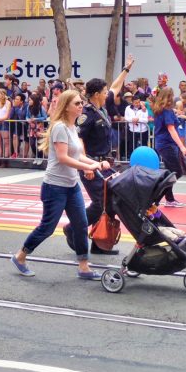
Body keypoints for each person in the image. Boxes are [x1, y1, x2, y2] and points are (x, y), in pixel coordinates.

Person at [11, 90, 106, 281]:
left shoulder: (73, 127)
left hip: (72, 185)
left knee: (80, 225)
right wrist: (91, 166)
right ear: (66, 106)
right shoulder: (60, 127)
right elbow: (63, 158)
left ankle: (84, 266)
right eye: (77, 103)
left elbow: (77, 154)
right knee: (48, 227)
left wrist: (92, 164)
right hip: (55, 186)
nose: (81, 106)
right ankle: (20, 256)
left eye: (81, 103)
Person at [71, 55, 135, 254]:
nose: (109, 93)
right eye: (105, 91)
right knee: (101, 203)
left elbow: (115, 86)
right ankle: (73, 229)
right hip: (92, 165)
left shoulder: (102, 106)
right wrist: (87, 166)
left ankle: (98, 243)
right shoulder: (86, 114)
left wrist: (126, 69)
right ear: (97, 93)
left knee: (109, 202)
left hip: (105, 165)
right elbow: (79, 140)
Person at [153, 87, 186, 207]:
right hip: (167, 144)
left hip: (162, 143)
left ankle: (169, 198)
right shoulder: (167, 111)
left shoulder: (159, 109)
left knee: (170, 172)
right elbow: (171, 129)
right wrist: (182, 146)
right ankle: (156, 198)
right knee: (176, 172)